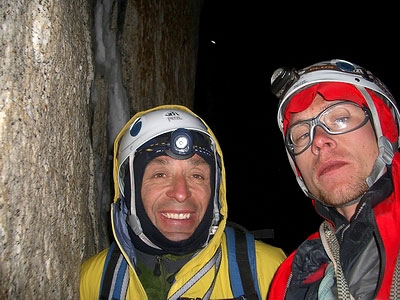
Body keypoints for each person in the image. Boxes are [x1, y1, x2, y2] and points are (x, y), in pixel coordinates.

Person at [80, 104, 286, 299]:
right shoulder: (95, 280)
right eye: (160, 174)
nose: (181, 193)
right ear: (129, 189)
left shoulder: (268, 271)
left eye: (196, 175)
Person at [267, 59, 400, 299]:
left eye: (340, 119)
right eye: (301, 134)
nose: (318, 140)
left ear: (384, 130)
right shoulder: (290, 279)